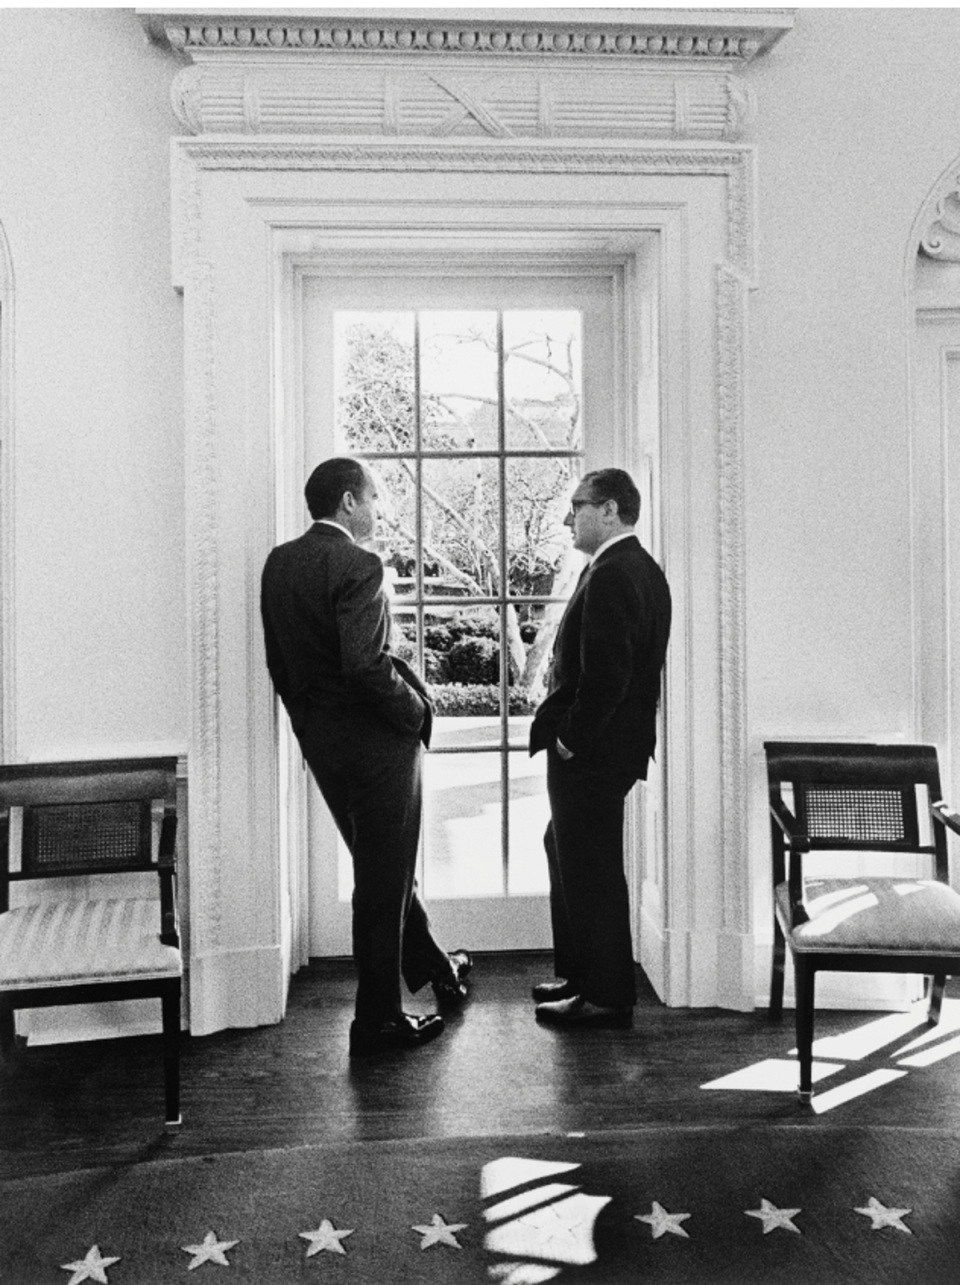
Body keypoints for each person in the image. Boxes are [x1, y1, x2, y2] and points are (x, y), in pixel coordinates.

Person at [260, 457, 471, 1056]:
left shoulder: (280, 563)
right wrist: (417, 714)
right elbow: (366, 666)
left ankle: (437, 969)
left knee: (386, 872)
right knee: (382, 885)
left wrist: (310, 727)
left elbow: (281, 665)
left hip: (323, 745)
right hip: (378, 746)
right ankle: (377, 1020)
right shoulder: (360, 562)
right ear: (349, 502)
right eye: (375, 498)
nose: (379, 510)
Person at [529, 467, 671, 1028]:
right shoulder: (628, 566)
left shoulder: (616, 572)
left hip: (593, 753)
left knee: (592, 867)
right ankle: (582, 974)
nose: (569, 517)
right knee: (564, 848)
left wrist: (569, 740)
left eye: (577, 505)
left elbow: (608, 677)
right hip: (607, 750)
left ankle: (607, 996)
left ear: (609, 510)